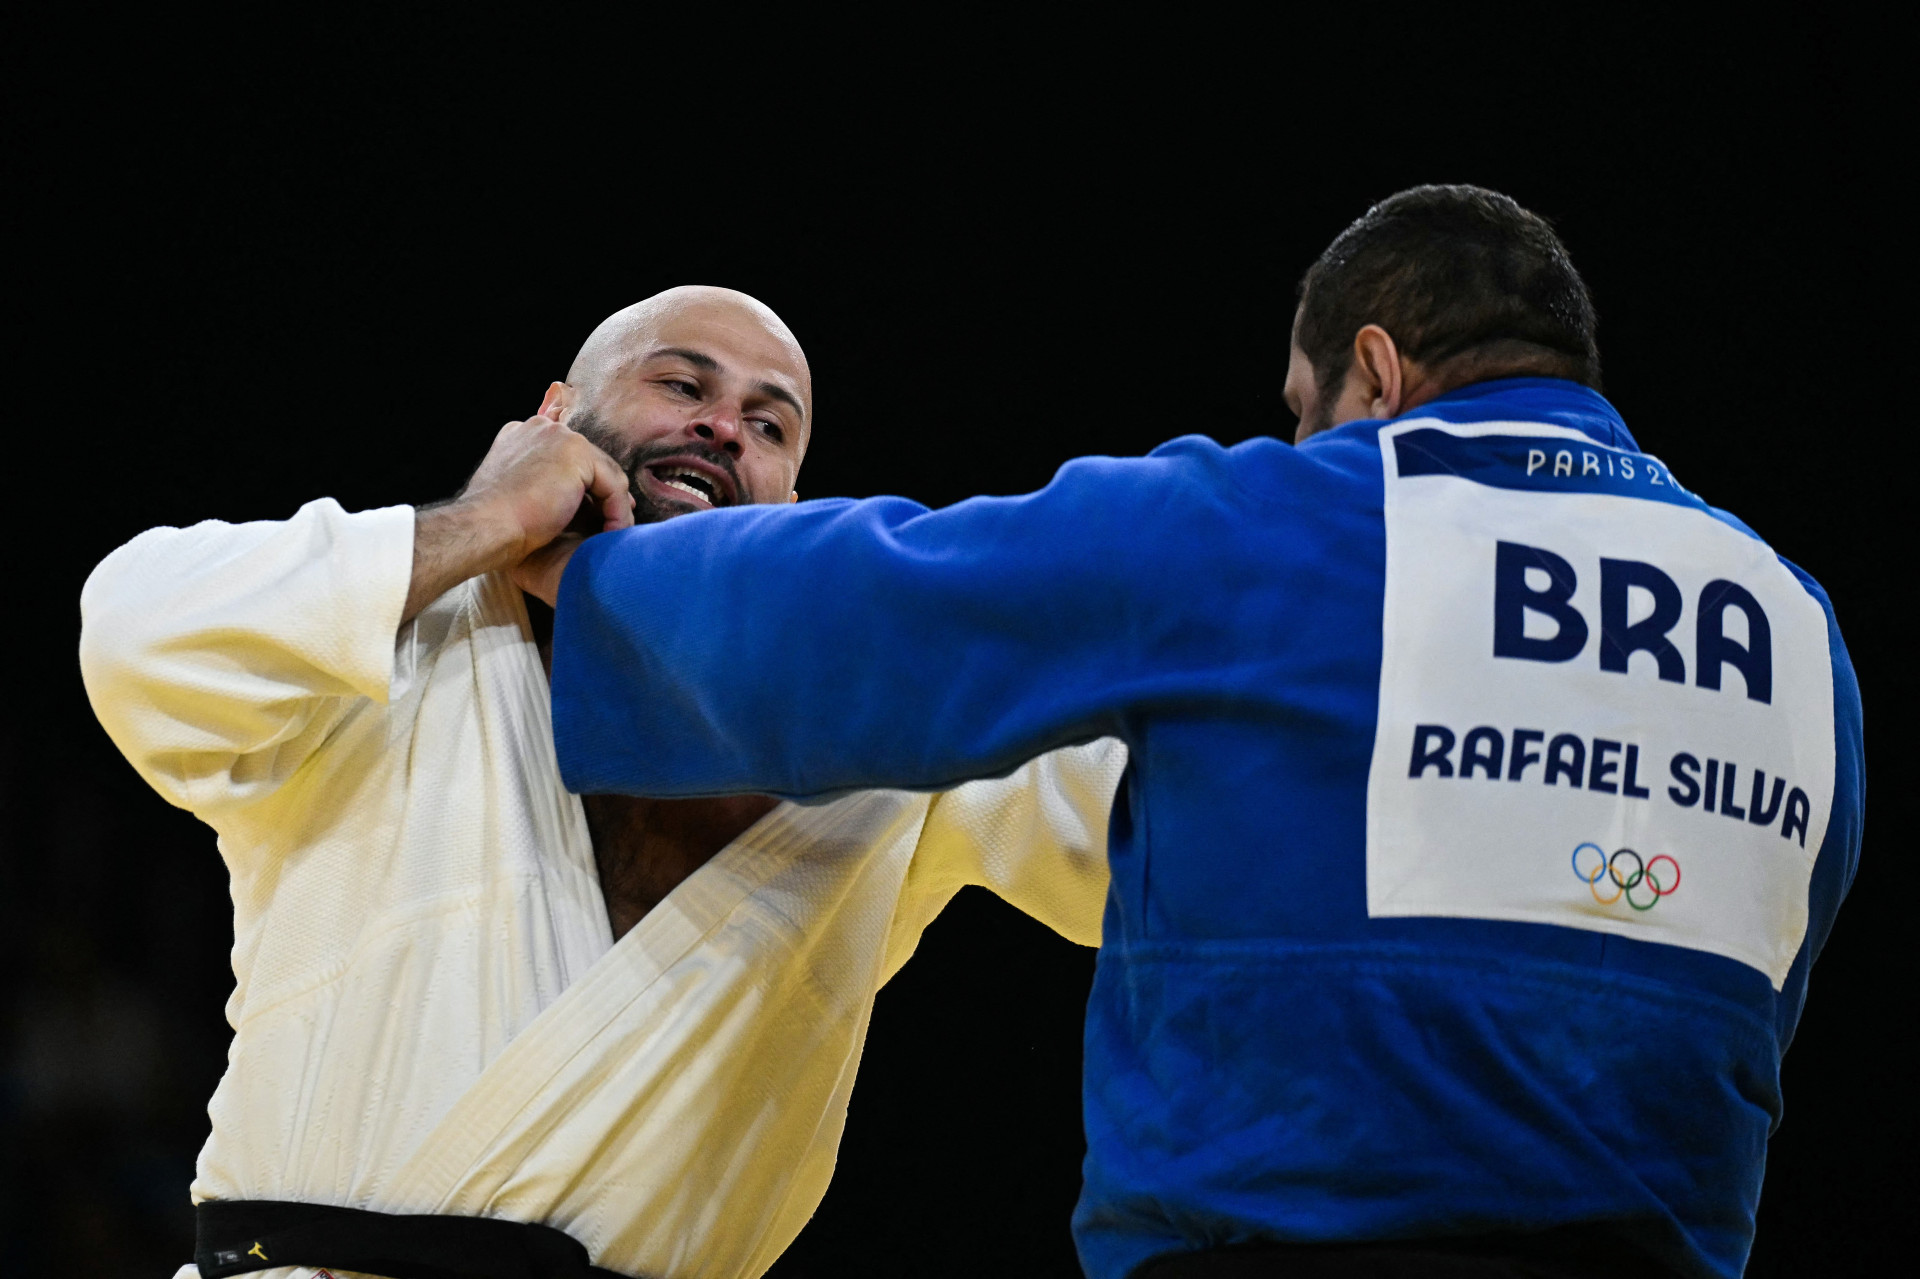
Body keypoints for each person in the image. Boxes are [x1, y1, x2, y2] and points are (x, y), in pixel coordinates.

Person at [540, 190, 1865, 1279]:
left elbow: (887, 600)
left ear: (1377, 372)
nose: (1297, 440)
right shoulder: (1798, 624)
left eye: (1303, 406)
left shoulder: (1280, 519)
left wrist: (588, 566)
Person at [79, 286, 1125, 1279]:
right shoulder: (390, 646)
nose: (724, 426)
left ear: (792, 502)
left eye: (769, 425)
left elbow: (1136, 835)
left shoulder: (876, 734)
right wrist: (487, 518)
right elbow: (135, 638)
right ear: (555, 414)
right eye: (682, 384)